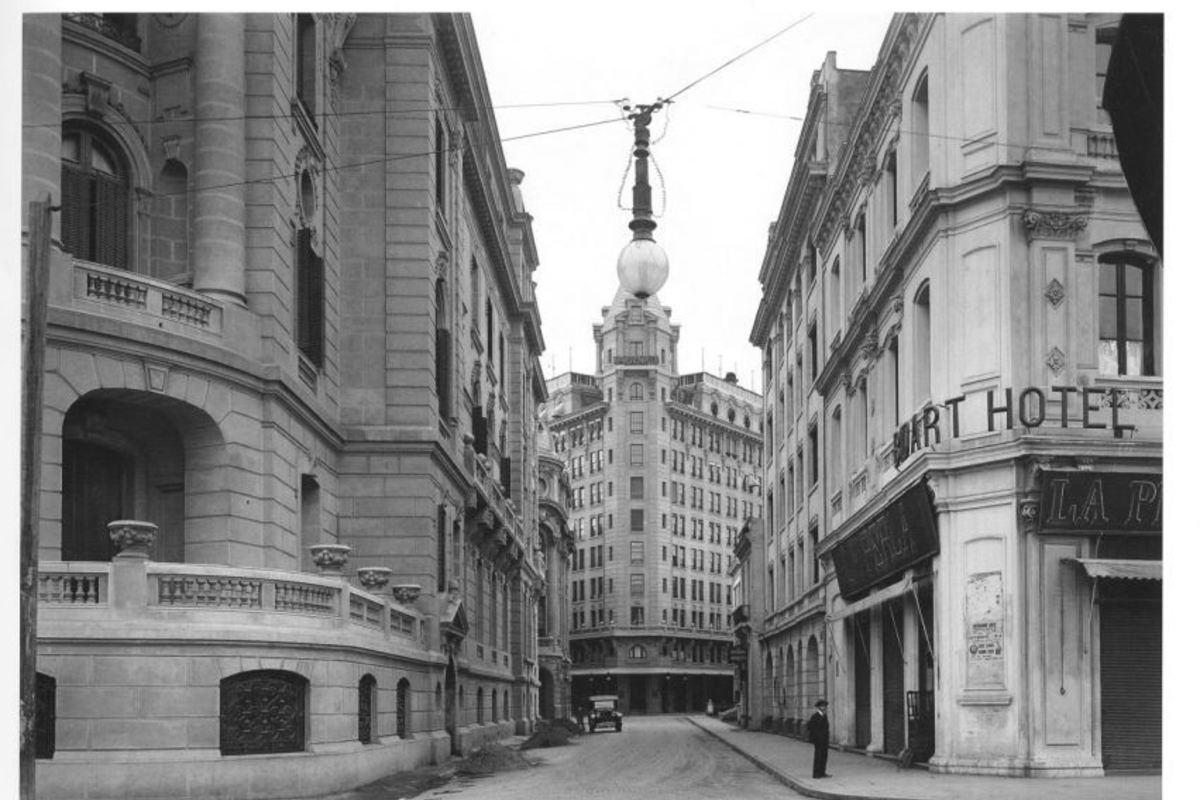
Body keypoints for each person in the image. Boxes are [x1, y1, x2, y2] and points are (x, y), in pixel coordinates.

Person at [807, 699, 831, 779]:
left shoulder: (825, 716)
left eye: (824, 706)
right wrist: (817, 736)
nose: (824, 708)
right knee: (818, 756)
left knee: (824, 755)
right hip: (818, 740)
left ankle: (822, 772)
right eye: (822, 706)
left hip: (825, 740)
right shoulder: (815, 716)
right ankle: (816, 773)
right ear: (818, 707)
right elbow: (810, 727)